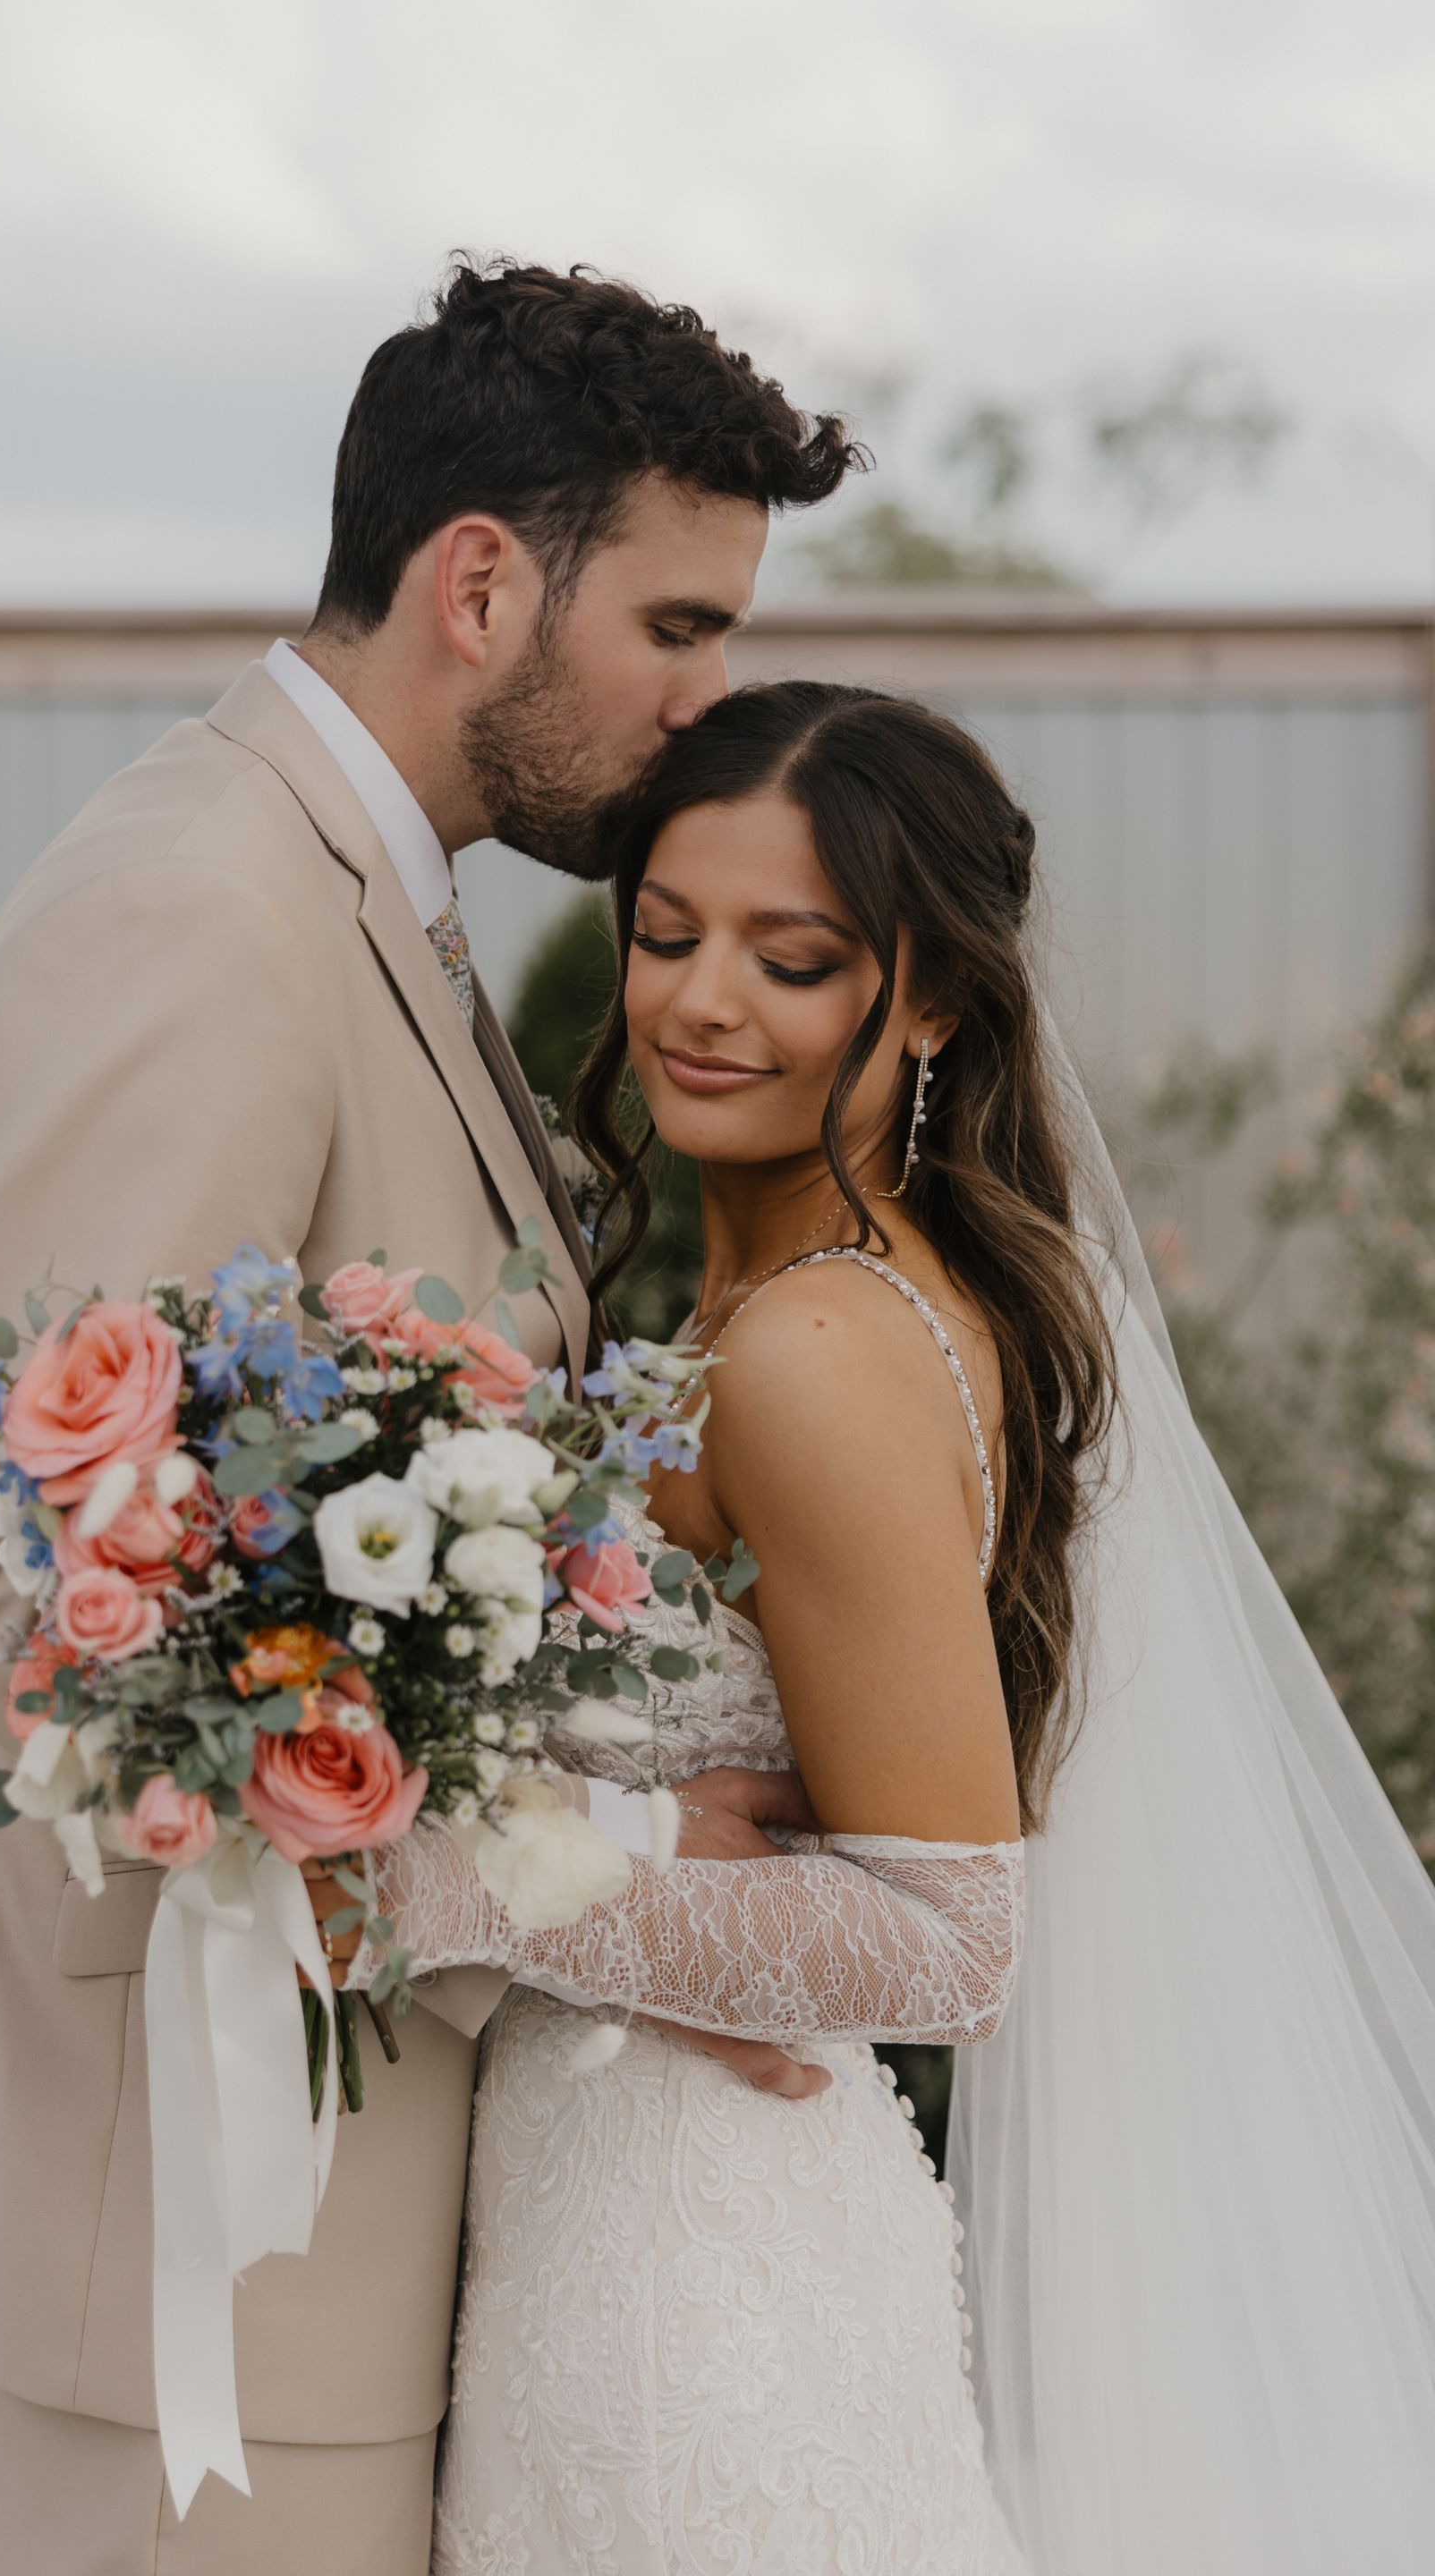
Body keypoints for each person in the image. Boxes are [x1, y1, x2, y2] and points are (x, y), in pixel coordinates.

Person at [0, 265, 862, 2575]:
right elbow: (110, 1647)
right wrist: (639, 1882)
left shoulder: (375, 910)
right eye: (679, 629)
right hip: (197, 2254)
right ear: (480, 584)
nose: (716, 703)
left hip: (329, 2199)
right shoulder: (199, 917)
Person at [361, 682, 1435, 2574]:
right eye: (668, 934)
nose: (700, 1004)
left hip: (695, 2298)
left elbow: (949, 1936)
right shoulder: (781, 1295)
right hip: (627, 2224)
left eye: (792, 961)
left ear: (932, 997)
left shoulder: (814, 1356)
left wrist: (452, 1878)